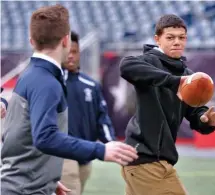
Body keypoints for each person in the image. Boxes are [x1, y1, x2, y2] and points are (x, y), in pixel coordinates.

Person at [0, 4, 138, 195]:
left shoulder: (31, 75)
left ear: (32, 41)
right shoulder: (46, 82)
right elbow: (45, 137)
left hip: (27, 186)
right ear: (66, 40)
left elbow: (15, 135)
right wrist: (100, 150)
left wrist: (46, 178)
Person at [120, 14, 215, 195]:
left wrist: (205, 120)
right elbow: (126, 66)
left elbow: (196, 112)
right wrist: (175, 82)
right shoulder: (149, 61)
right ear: (157, 39)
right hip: (146, 159)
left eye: (181, 38)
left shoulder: (188, 74)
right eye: (170, 37)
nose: (177, 42)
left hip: (157, 161)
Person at [60, 31, 116, 194]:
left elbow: (102, 118)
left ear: (79, 53)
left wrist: (111, 142)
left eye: (74, 51)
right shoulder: (53, 82)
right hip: (63, 152)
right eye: (67, 51)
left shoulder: (92, 85)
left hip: (86, 154)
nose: (70, 56)